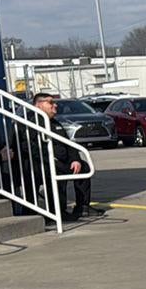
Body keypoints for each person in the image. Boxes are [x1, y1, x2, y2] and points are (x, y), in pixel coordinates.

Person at [33, 93, 97, 221]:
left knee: (83, 166)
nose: (55, 105)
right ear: (39, 105)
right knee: (55, 171)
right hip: (43, 162)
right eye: (50, 103)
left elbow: (68, 144)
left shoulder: (54, 123)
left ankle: (82, 207)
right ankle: (57, 211)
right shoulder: (30, 123)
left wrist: (75, 159)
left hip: (62, 160)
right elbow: (30, 147)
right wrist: (53, 160)